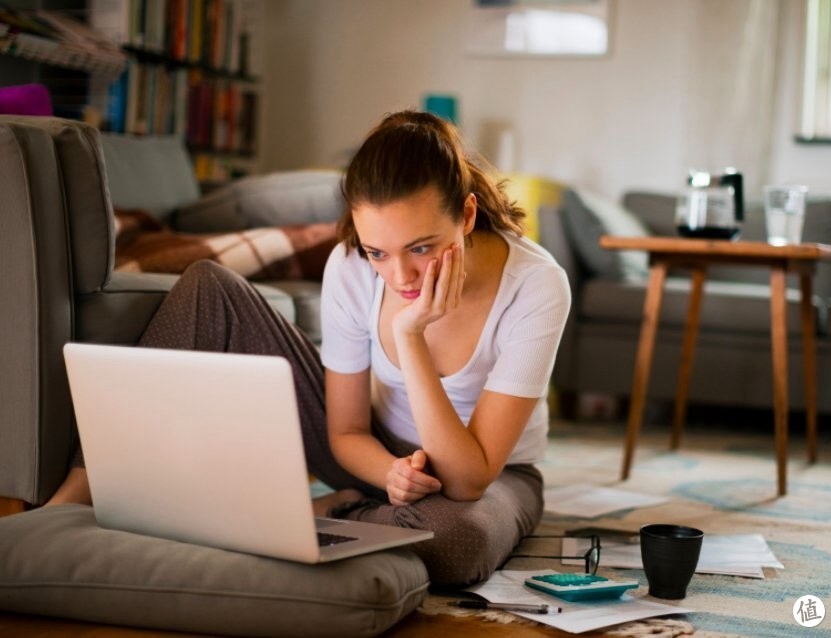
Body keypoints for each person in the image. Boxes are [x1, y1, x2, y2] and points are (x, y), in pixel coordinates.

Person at [48, 110, 571, 586]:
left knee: (457, 544)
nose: (400, 275)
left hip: (490, 476)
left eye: (421, 248)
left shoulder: (535, 286)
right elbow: (345, 432)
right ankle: (63, 509)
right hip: (373, 456)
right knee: (209, 287)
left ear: (468, 214)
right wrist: (385, 473)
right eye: (378, 253)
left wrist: (410, 336)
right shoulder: (349, 265)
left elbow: (466, 480)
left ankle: (314, 516)